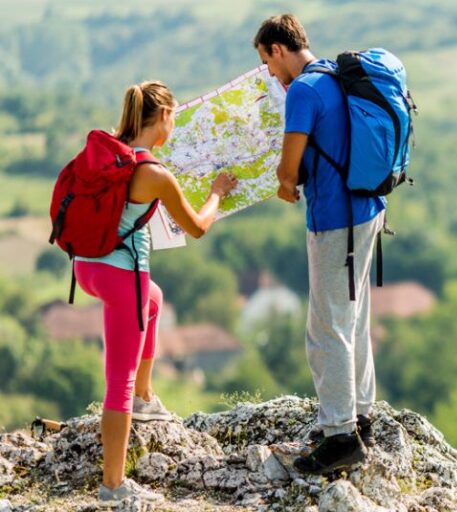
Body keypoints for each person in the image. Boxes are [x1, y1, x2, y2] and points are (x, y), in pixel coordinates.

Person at [73, 81, 238, 503]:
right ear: (163, 117)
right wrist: (217, 194)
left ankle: (146, 398)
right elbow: (198, 227)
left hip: (85, 267)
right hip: (120, 276)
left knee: (154, 299)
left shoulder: (107, 150)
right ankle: (113, 487)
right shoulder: (153, 174)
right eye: (175, 115)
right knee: (118, 382)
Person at [253, 14, 385, 474]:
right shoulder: (335, 74)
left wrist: (285, 185)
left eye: (267, 63)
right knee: (354, 317)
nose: (270, 74)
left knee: (325, 328)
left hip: (333, 220)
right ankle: (361, 416)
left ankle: (340, 436)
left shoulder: (304, 92)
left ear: (277, 49)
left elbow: (288, 172)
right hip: (369, 211)